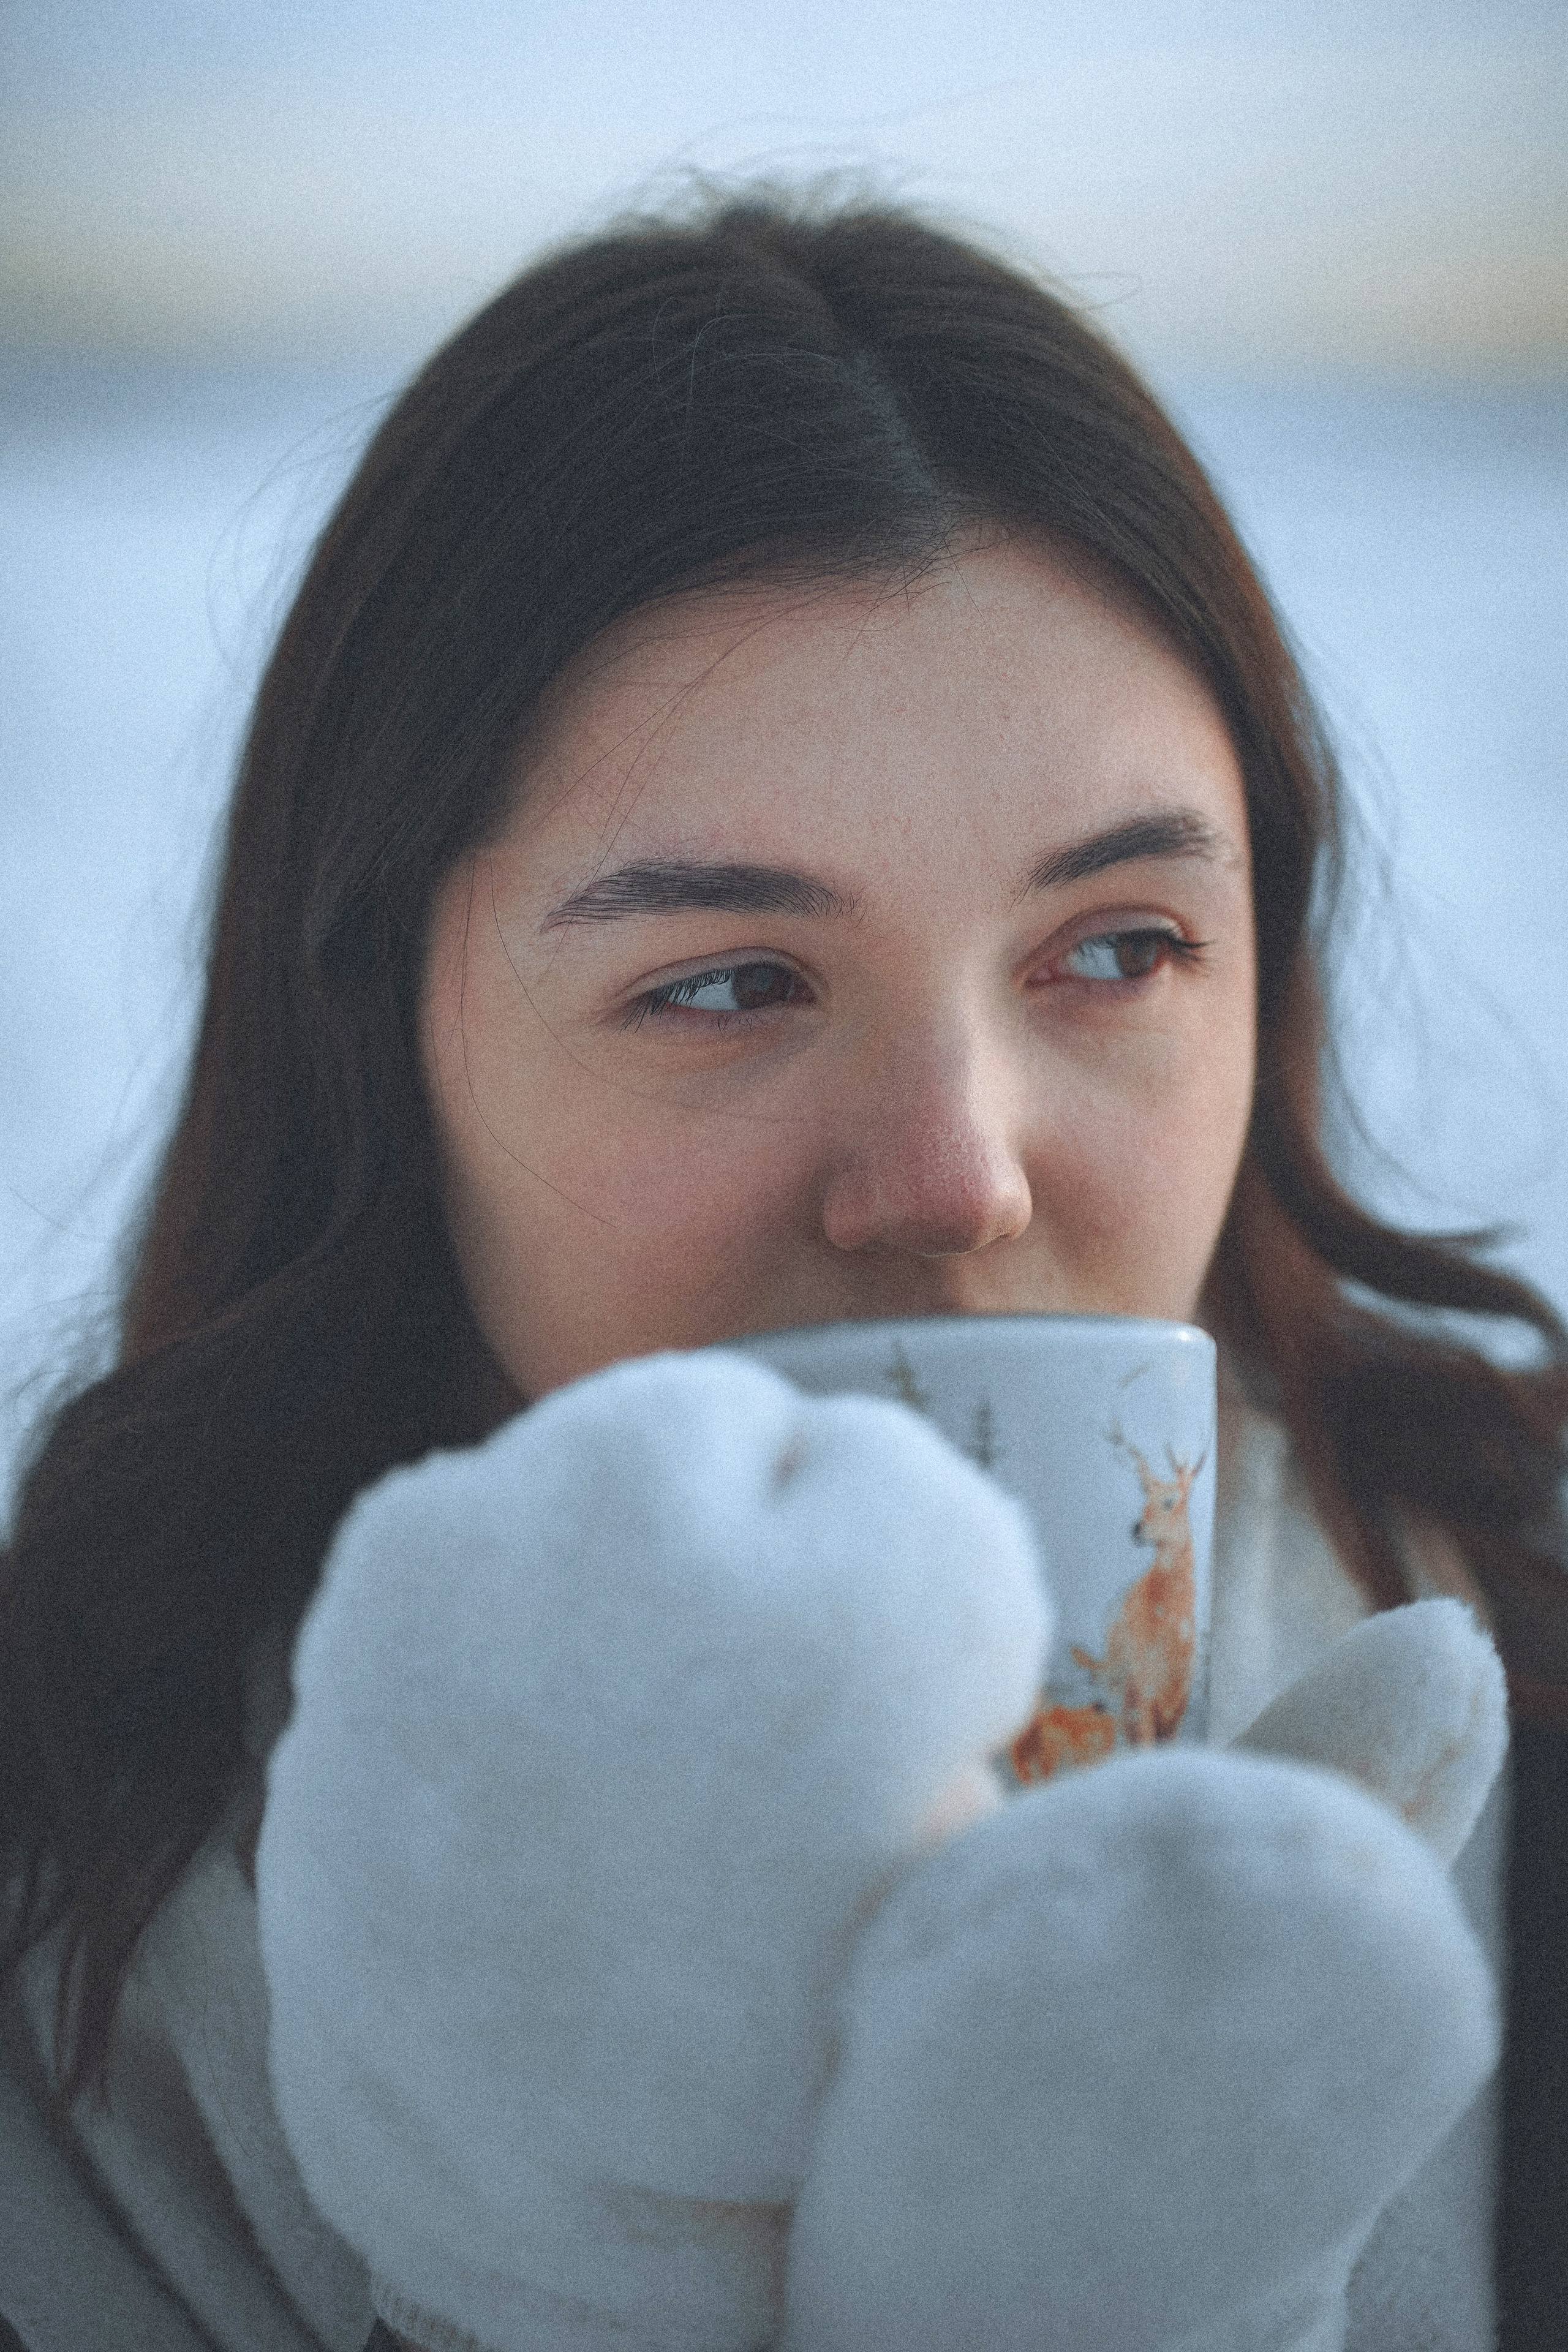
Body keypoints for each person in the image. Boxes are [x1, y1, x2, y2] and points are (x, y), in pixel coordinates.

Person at [1, 189, 1564, 2352]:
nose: (954, 1173)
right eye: (731, 984)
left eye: (1116, 951)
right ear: (383, 1043)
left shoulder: (1532, 1644)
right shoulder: (65, 1883)